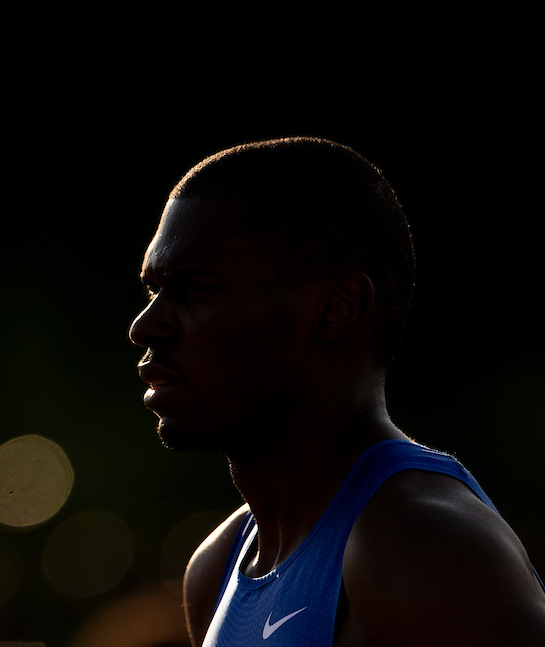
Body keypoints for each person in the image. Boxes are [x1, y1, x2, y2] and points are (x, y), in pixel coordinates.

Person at [127, 137, 545, 646]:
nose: (145, 327)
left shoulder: (426, 549)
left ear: (336, 308)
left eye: (195, 291)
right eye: (153, 291)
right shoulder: (217, 566)